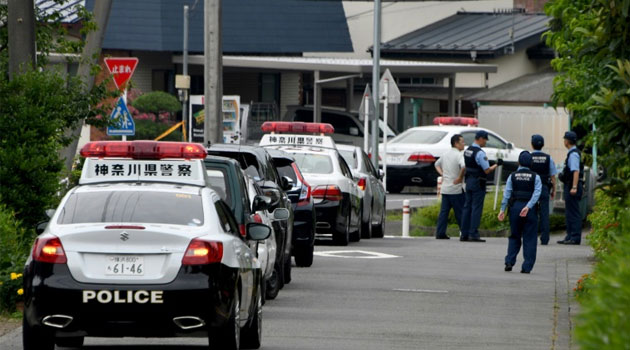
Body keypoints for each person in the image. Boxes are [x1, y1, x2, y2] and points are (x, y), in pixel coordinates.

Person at [498, 151, 542, 274]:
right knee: (530, 238)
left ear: (519, 162)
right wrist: (528, 206)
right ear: (531, 163)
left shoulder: (512, 176)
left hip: (515, 207)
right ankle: (526, 267)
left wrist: (502, 209)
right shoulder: (536, 177)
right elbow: (537, 193)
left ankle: (509, 261)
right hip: (530, 210)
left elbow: (507, 194)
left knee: (514, 236)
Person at [460, 130, 500, 242]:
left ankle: (464, 234)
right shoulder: (480, 153)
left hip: (469, 181)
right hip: (478, 182)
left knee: (467, 207)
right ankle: (473, 233)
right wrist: (497, 164)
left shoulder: (468, 150)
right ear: (481, 139)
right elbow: (487, 170)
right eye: (485, 140)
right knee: (476, 208)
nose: (486, 142)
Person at [434, 134, 466, 239]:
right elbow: (464, 166)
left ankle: (440, 232)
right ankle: (464, 233)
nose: (464, 144)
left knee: (444, 212)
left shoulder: (445, 154)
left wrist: (442, 174)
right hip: (455, 188)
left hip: (445, 188)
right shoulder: (459, 155)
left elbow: (436, 164)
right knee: (460, 211)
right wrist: (460, 177)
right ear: (456, 143)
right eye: (462, 142)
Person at [530, 134, 558, 245]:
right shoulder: (548, 158)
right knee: (544, 213)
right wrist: (554, 189)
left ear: (532, 145)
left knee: (531, 212)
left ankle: (531, 236)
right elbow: (552, 176)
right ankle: (545, 238)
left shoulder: (528, 157)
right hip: (544, 187)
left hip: (531, 188)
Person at [558, 131, 583, 245]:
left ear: (567, 141)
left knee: (573, 212)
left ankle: (575, 237)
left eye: (564, 139)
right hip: (570, 185)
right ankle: (569, 236)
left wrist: (574, 187)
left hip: (573, 186)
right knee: (569, 212)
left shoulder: (573, 154)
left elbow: (576, 171)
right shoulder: (572, 153)